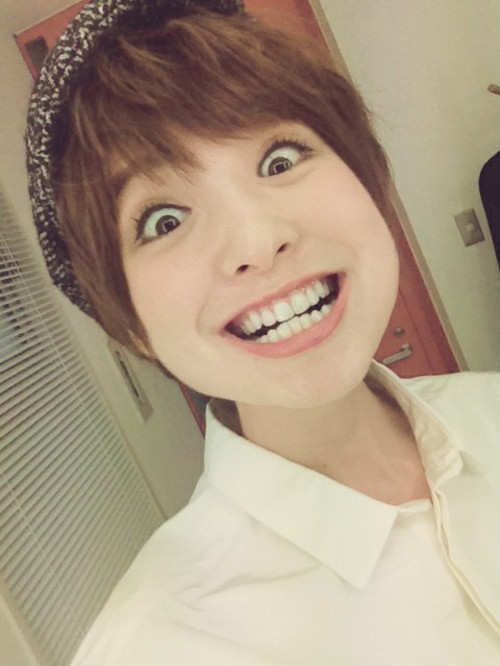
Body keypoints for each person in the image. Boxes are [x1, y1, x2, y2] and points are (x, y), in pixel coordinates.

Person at [25, 1, 500, 664]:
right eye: (164, 221)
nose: (258, 240)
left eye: (279, 160)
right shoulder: (158, 647)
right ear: (130, 326)